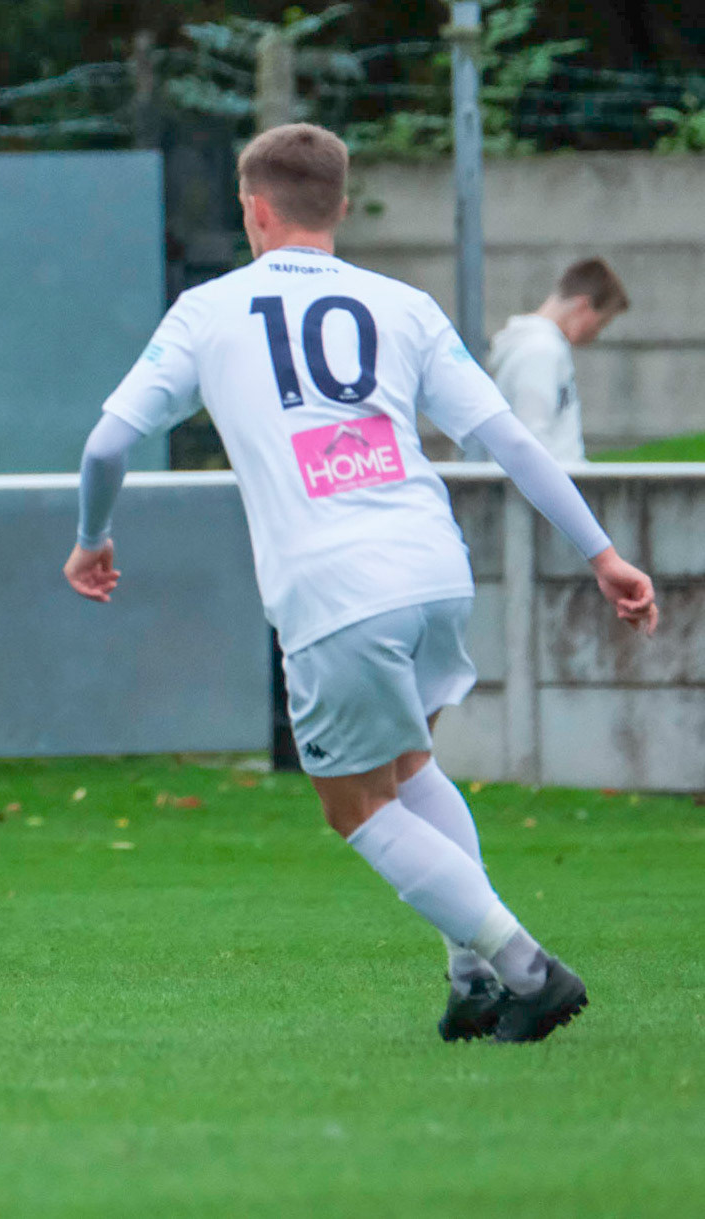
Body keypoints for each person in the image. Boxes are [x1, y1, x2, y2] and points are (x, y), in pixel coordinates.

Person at [63, 124, 658, 1043]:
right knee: (412, 767)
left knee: (355, 806)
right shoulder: (403, 305)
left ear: (254, 210)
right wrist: (604, 554)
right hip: (432, 565)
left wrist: (92, 538)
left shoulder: (209, 311)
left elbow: (107, 442)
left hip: (333, 588)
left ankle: (527, 969)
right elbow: (510, 441)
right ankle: (471, 983)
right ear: (340, 206)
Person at [469, 257, 630, 463]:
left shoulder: (538, 347)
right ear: (584, 306)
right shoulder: (540, 351)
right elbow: (532, 440)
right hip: (545, 490)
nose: (596, 333)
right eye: (601, 323)